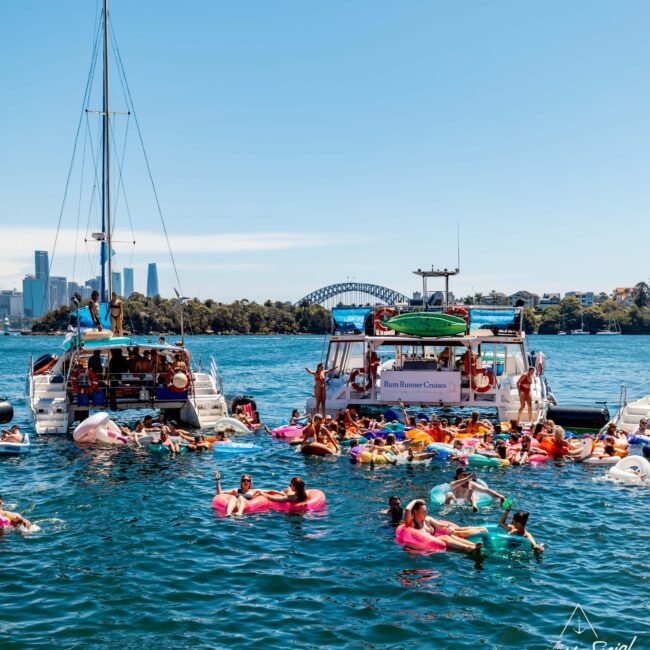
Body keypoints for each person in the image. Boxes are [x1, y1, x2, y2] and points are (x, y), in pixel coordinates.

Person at [403, 500, 484, 556]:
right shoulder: (412, 524)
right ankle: (468, 549)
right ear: (415, 511)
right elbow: (407, 510)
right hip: (423, 546)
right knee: (445, 537)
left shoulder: (427, 519)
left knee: (451, 536)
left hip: (434, 541)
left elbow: (440, 525)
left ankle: (473, 546)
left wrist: (448, 526)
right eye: (424, 511)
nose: (426, 512)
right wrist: (416, 501)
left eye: (426, 510)